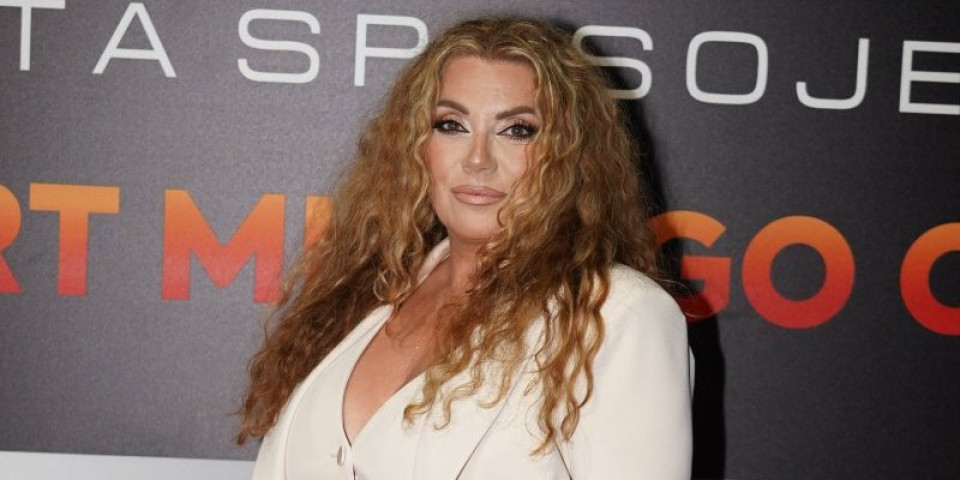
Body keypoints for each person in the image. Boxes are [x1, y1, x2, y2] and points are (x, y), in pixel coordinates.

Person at [237, 17, 693, 480]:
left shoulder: (618, 315)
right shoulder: (367, 293)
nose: (478, 160)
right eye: (451, 125)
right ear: (416, 145)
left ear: (571, 155)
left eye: (517, 130)